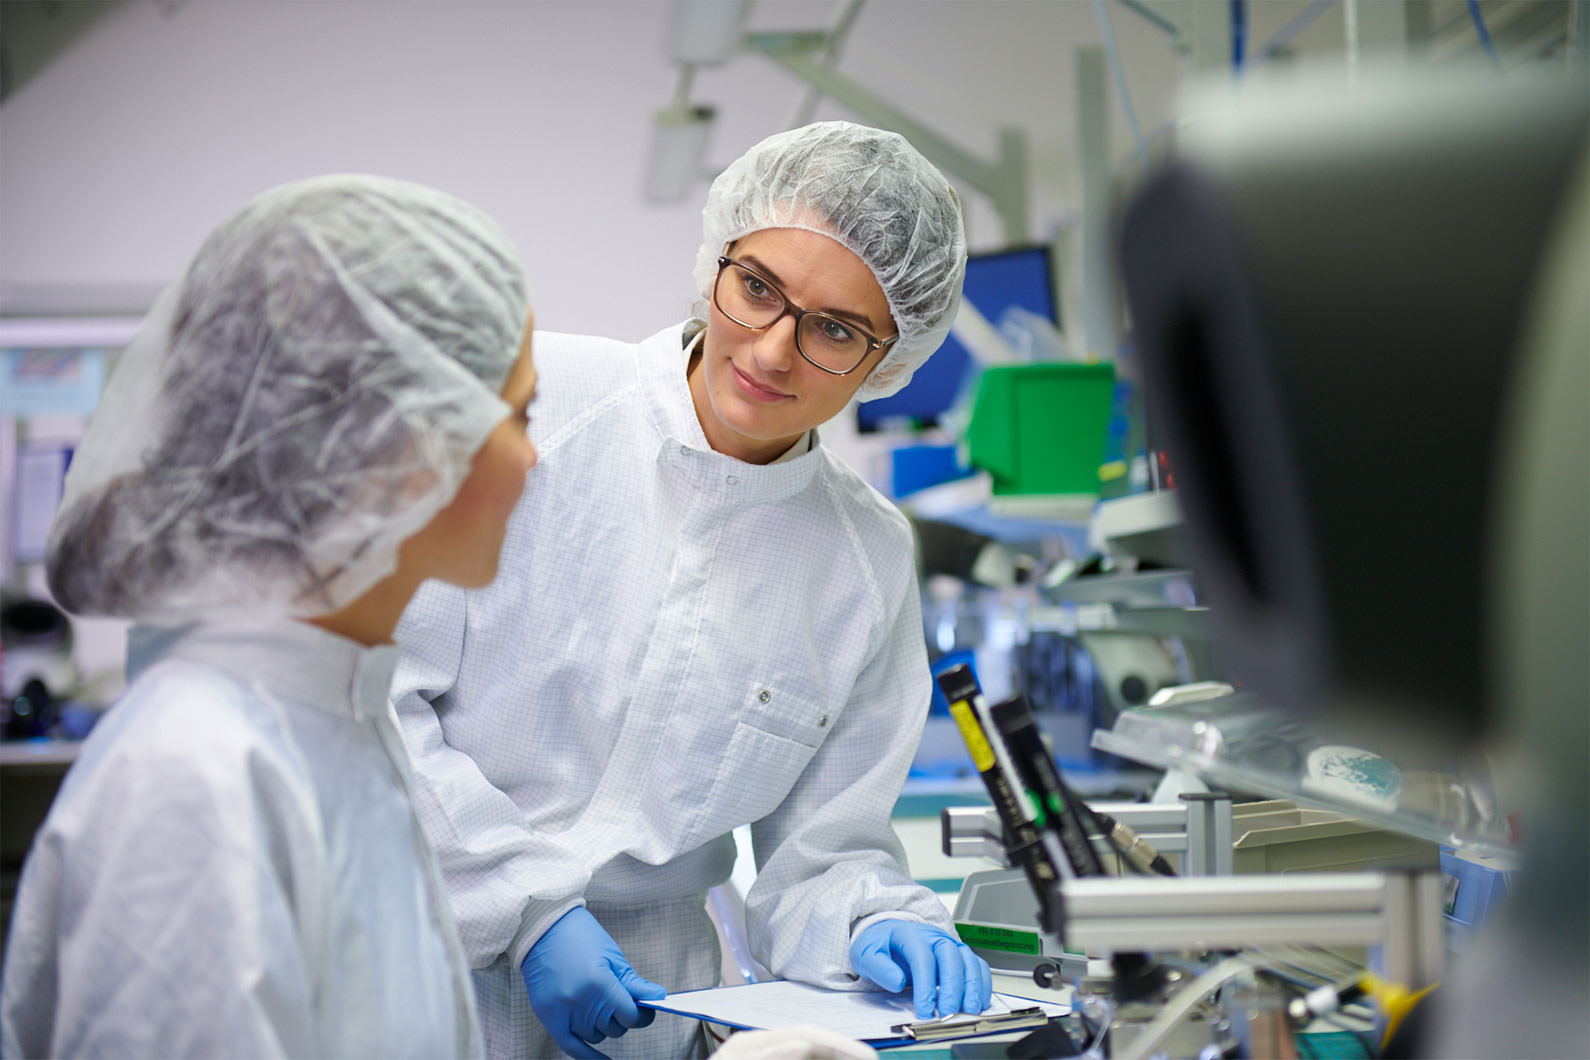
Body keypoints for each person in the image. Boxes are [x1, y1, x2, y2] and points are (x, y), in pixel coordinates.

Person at [390, 120, 991, 1060]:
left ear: (891, 358)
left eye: (835, 329)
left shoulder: (863, 560)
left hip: (653, 1010)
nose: (771, 352)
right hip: (412, 973)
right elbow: (371, 703)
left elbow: (820, 856)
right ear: (719, 255)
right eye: (757, 290)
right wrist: (525, 906)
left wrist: (868, 921)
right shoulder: (528, 406)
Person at [0, 174, 538, 1058]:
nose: (536, 457)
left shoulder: (331, 723)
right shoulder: (198, 776)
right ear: (398, 447)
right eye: (520, 412)